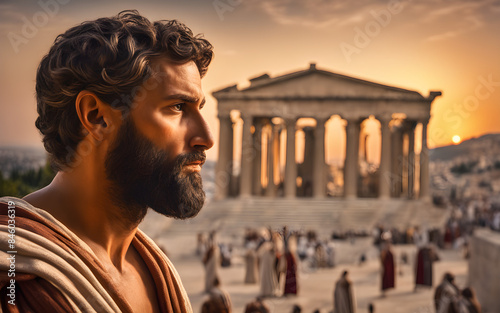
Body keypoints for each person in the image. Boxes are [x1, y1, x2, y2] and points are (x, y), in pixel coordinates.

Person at [0, 10, 214, 312]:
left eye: (198, 108)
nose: (206, 137)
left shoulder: (157, 271)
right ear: (97, 117)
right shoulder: (12, 275)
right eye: (177, 107)